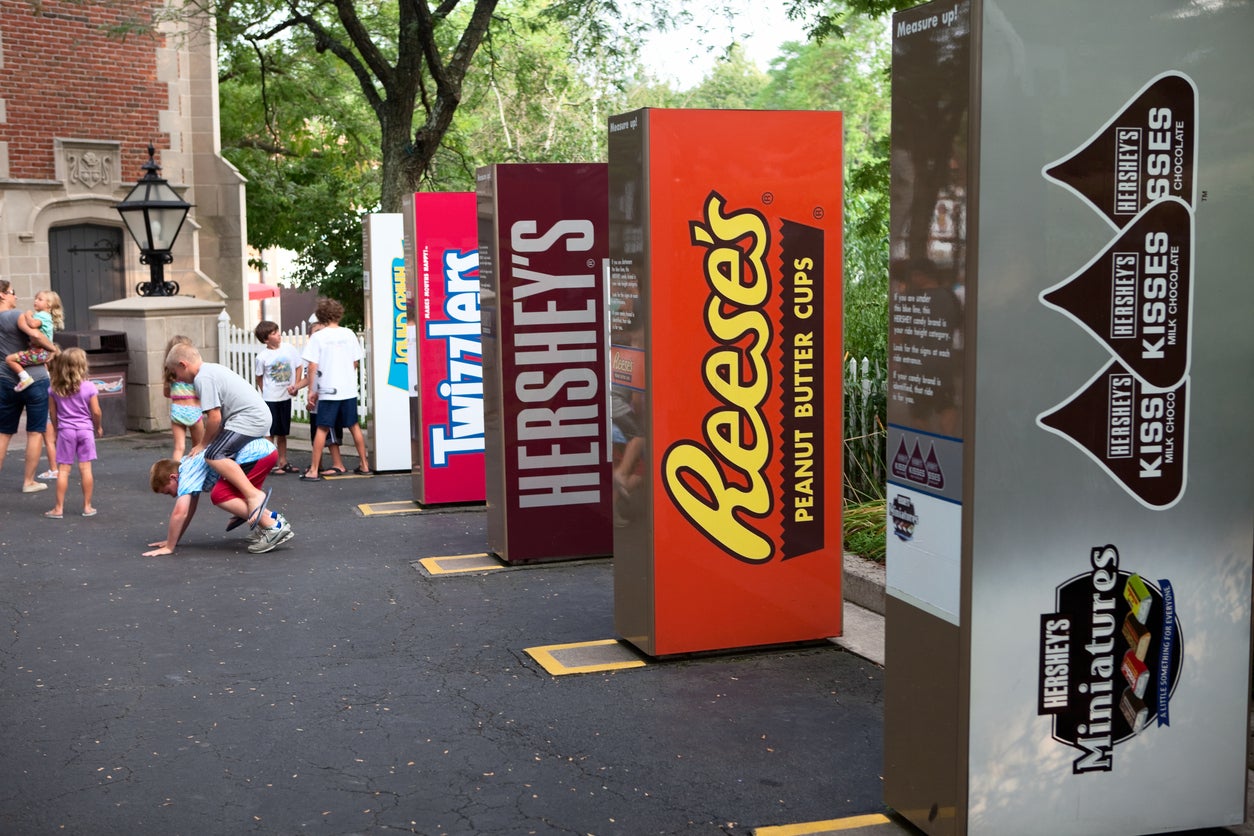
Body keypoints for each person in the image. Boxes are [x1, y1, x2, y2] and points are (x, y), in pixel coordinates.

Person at [165, 342, 273, 527]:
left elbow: (214, 418)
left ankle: (253, 495)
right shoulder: (211, 370)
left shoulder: (202, 378)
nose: (179, 379)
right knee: (223, 457)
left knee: (213, 455)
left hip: (249, 419)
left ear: (183, 364)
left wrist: (202, 444)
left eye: (176, 374)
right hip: (256, 425)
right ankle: (255, 513)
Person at [144, 437, 295, 556]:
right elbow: (189, 510)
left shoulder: (186, 471)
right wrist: (173, 540)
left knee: (221, 495)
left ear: (173, 477)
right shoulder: (189, 468)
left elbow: (180, 512)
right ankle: (276, 521)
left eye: (168, 491)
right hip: (263, 451)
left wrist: (169, 547)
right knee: (239, 496)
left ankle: (272, 527)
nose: (172, 496)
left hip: (255, 454)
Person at [300, 299, 370, 481]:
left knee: (322, 428)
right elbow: (355, 361)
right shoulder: (349, 334)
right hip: (348, 389)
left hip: (328, 389)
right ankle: (364, 464)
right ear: (339, 314)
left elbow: (313, 366)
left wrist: (311, 390)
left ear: (321, 316)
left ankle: (314, 470)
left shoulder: (318, 337)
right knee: (354, 426)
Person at [0, 279, 59, 493]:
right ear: (3, 295)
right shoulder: (16, 316)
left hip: (5, 380)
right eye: (12, 292)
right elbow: (35, 334)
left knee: (3, 432)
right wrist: (53, 348)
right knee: (35, 431)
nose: (16, 296)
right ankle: (29, 481)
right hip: (35, 379)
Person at [43, 347, 101, 518]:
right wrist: (97, 426)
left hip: (66, 430)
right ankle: (88, 506)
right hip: (85, 430)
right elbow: (96, 411)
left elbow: (53, 413)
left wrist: (56, 428)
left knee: (63, 470)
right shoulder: (89, 387)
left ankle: (58, 508)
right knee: (85, 469)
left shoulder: (54, 388)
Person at [293, 321, 347, 475]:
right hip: (314, 401)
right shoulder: (309, 354)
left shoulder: (328, 354)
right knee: (316, 433)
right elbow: (309, 377)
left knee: (330, 435)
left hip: (326, 399)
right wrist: (296, 387)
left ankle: (338, 464)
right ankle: (318, 464)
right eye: (316, 331)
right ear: (310, 336)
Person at [252, 320, 303, 474]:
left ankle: (283, 461)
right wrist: (266, 391)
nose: (278, 334)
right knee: (270, 432)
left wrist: (296, 385)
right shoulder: (262, 357)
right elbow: (259, 377)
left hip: (285, 397)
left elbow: (298, 366)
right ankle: (270, 463)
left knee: (282, 431)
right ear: (266, 339)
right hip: (270, 399)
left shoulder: (289, 349)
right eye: (274, 333)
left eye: (277, 331)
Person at [6, 289, 62, 392]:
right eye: (36, 298)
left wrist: (27, 314)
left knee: (9, 359)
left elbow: (33, 324)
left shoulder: (42, 315)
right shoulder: (46, 316)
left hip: (38, 352)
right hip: (43, 353)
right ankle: (48, 376)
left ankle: (24, 378)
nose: (36, 301)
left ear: (49, 305)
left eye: (40, 299)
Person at [163, 335, 205, 461]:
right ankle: (195, 471)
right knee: (198, 446)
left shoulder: (169, 374)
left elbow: (166, 393)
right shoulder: (195, 373)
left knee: (179, 447)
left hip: (177, 411)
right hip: (195, 411)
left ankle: (174, 474)